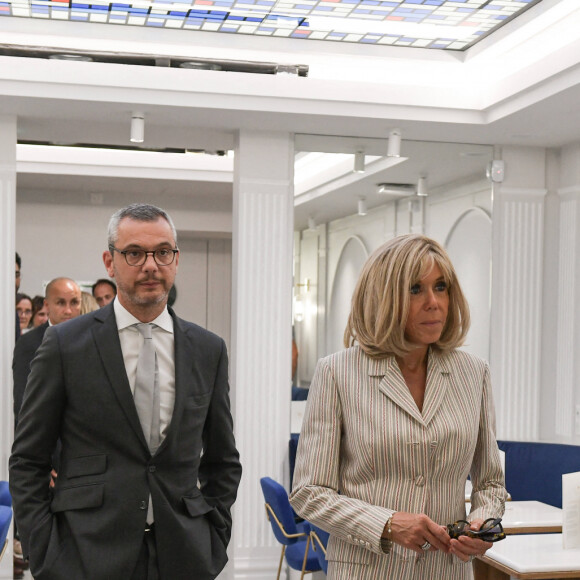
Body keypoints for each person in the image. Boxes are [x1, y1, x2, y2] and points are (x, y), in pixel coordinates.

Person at [10, 203, 242, 580]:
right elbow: (28, 461)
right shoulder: (65, 345)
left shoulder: (207, 349)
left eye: (163, 252)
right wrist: (47, 554)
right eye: (134, 253)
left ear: (176, 260)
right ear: (110, 261)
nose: (151, 264)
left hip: (184, 555)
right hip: (85, 556)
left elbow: (222, 460)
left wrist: (214, 535)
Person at [289, 234, 507, 580]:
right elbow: (308, 493)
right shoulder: (337, 372)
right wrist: (387, 524)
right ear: (383, 298)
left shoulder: (474, 373)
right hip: (366, 571)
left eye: (441, 286)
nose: (434, 302)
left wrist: (483, 524)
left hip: (447, 571)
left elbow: (491, 482)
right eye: (415, 290)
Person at [13, 278, 82, 425]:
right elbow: (24, 403)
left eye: (74, 302)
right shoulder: (30, 343)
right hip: (48, 440)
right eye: (61, 303)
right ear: (47, 305)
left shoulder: (90, 339)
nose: (68, 310)